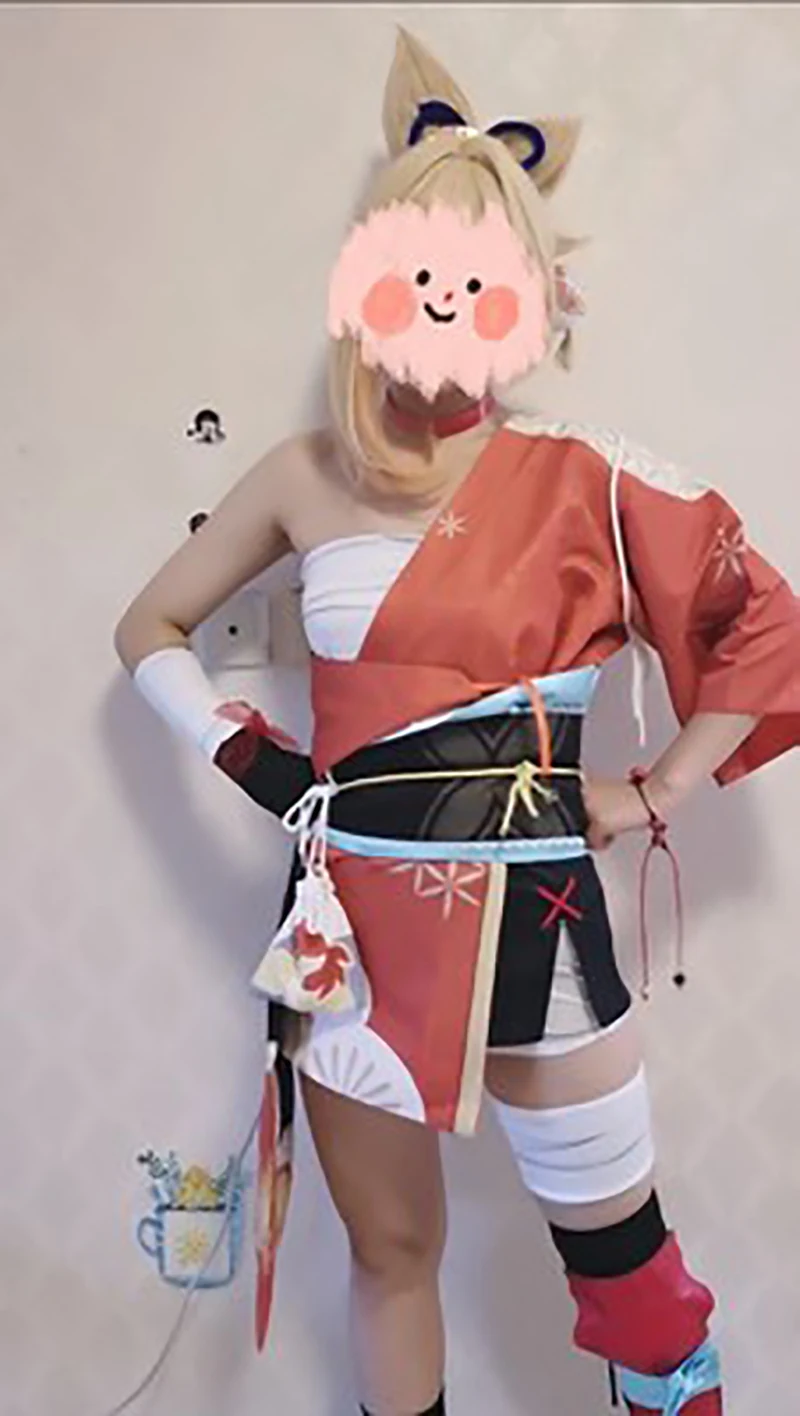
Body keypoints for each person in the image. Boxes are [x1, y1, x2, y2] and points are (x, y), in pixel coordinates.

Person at [113, 28, 800, 1416]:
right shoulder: (301, 476)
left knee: (627, 1275)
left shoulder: (592, 479)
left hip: (538, 909)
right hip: (346, 931)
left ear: (535, 295)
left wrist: (657, 788)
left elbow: (763, 622)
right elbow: (149, 627)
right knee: (390, 1256)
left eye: (481, 274)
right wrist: (247, 754)